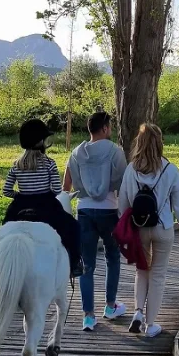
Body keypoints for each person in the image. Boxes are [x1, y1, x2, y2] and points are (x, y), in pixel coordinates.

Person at [118, 124, 179, 338]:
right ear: (160, 144)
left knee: (141, 272)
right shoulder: (170, 170)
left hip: (140, 228)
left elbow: (123, 204)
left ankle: (138, 312)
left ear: (138, 143)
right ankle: (151, 325)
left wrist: (127, 225)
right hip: (163, 228)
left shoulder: (131, 170)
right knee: (157, 275)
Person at [63, 111, 128, 332]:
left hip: (84, 211)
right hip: (109, 210)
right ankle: (110, 306)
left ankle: (88, 317)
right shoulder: (115, 152)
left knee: (87, 265)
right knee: (112, 257)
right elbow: (123, 182)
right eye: (109, 126)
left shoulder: (76, 153)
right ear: (105, 128)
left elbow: (67, 185)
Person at [2, 119, 83, 277]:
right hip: (46, 204)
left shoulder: (16, 165)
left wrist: (18, 195)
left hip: (21, 204)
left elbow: (6, 190)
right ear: (40, 141)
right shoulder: (49, 163)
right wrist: (48, 192)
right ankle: (74, 264)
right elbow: (56, 189)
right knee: (74, 227)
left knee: (4, 226)